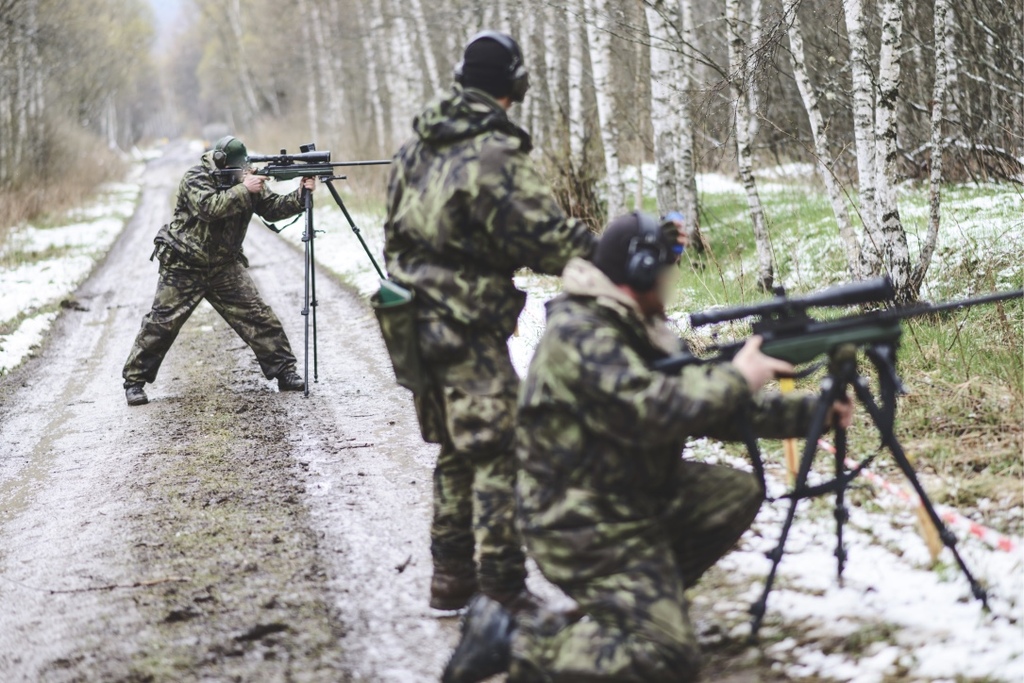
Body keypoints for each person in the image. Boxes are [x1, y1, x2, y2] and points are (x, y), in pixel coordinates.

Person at [442, 212, 854, 683]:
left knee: (732, 491)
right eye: (662, 273)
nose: (668, 284)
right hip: (576, 521)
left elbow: (708, 406)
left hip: (627, 499)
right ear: (638, 272)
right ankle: (517, 643)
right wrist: (738, 376)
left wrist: (811, 414)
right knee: (669, 660)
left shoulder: (635, 325)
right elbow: (652, 410)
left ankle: (642, 609)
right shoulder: (580, 334)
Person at [381, 31, 598, 612]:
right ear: (514, 84)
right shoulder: (495, 155)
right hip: (465, 326)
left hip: (412, 326)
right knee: (502, 447)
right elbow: (547, 239)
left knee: (457, 445)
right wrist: (615, 252)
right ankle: (501, 588)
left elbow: (396, 237)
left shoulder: (413, 150)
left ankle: (450, 578)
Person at [122, 135, 314, 406]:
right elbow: (209, 208)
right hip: (184, 264)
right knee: (161, 324)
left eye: (242, 170)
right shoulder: (195, 177)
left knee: (258, 316)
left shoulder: (244, 176)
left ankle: (285, 371)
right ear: (220, 162)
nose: (241, 174)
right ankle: (134, 382)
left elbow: (271, 209)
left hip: (224, 266)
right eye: (236, 170)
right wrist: (245, 188)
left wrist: (301, 194)